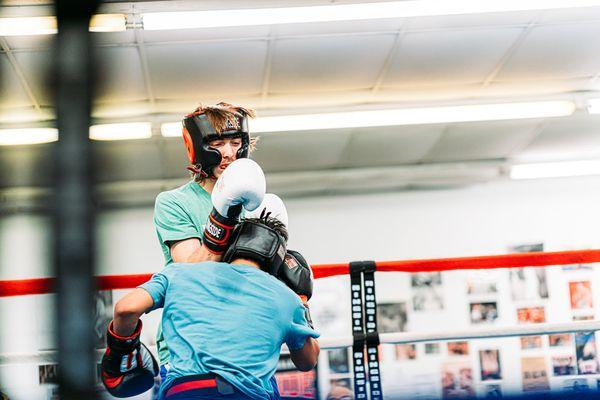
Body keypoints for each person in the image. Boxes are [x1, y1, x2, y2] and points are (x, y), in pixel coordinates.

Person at [101, 214, 320, 399]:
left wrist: (122, 350)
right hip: (246, 394)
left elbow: (126, 309)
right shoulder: (286, 298)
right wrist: (301, 301)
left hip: (183, 391)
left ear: (231, 244)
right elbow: (307, 361)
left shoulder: (179, 272)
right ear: (277, 257)